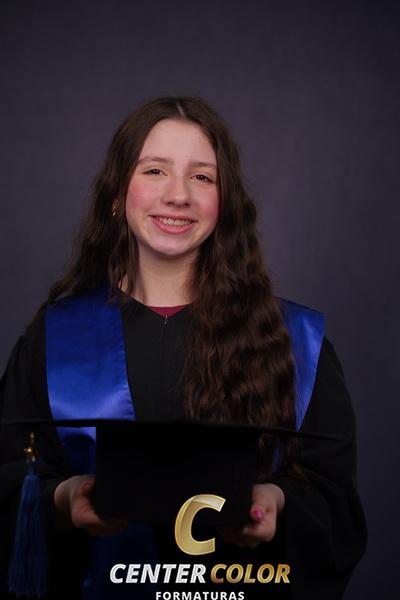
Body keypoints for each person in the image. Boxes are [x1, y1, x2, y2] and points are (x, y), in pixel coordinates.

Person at [0, 96, 367, 600]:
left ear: (224, 202)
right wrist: (63, 500)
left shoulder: (296, 342)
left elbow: (336, 507)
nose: (178, 195)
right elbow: (10, 479)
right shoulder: (55, 339)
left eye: (202, 177)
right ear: (117, 194)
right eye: (154, 170)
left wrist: (276, 503)